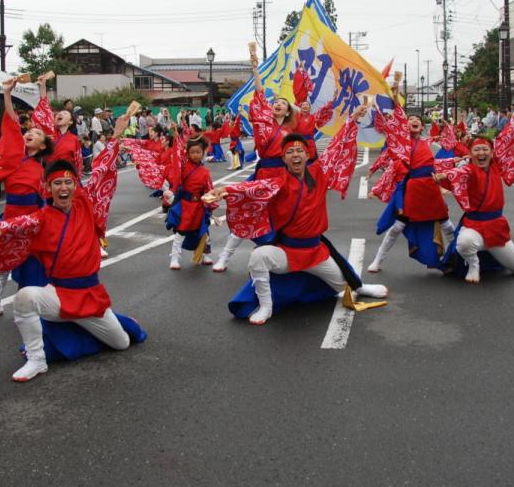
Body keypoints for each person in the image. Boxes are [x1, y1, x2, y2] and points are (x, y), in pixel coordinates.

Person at [0, 123, 146, 382]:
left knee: (122, 343)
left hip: (90, 296)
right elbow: (24, 222)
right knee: (24, 297)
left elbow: (101, 172)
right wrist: (1, 226)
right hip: (58, 294)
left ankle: (120, 323)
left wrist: (114, 138)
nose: (63, 187)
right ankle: (37, 360)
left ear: (75, 185)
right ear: (48, 189)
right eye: (57, 183)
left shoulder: (85, 205)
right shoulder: (43, 216)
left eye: (68, 182)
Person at [207, 104, 387, 325]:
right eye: (289, 152)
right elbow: (252, 188)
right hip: (288, 252)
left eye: (299, 151)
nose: (295, 155)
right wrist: (225, 190)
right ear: (283, 159)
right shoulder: (278, 182)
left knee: (344, 285)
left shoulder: (319, 173)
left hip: (315, 253)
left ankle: (360, 286)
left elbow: (337, 147)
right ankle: (266, 306)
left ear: (307, 154)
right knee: (258, 257)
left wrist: (353, 120)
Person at [212, 49, 332, 272]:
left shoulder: (291, 129)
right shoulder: (263, 121)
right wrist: (255, 68)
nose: (277, 104)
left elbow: (307, 116)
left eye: (283, 103)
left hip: (283, 177)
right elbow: (259, 92)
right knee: (248, 210)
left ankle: (281, 261)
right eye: (275, 102)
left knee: (286, 218)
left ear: (288, 111)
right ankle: (224, 257)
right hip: (263, 175)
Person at [433, 98, 514, 283]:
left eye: (485, 149)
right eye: (476, 150)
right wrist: (444, 176)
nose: (481, 153)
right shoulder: (468, 169)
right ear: (470, 154)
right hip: (474, 226)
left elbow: (506, 137)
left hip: (496, 228)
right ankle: (474, 265)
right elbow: (461, 172)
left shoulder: (495, 166)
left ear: (492, 153)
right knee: (463, 243)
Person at [0, 76, 55, 319]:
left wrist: (43, 91)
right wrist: (7, 95)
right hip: (10, 215)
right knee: (3, 260)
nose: (30, 133)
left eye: (36, 133)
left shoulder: (45, 167)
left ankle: (39, 303)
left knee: (34, 263)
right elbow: (10, 123)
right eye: (28, 131)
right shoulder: (13, 156)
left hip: (32, 219)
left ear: (43, 146)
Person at [367, 79, 457, 273]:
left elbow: (449, 144)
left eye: (417, 122)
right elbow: (395, 119)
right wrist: (394, 96)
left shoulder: (428, 142)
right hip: (413, 189)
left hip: (430, 189)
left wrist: (446, 128)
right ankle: (377, 261)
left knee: (447, 224)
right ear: (405, 127)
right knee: (397, 227)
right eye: (410, 121)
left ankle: (459, 256)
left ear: (421, 127)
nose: (413, 122)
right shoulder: (401, 144)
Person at [164, 137, 216, 269]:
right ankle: (175, 258)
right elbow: (175, 170)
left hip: (199, 206)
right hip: (186, 206)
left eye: (198, 152)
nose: (195, 155)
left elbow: (209, 189)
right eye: (192, 152)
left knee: (203, 231)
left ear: (203, 152)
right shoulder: (184, 167)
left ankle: (205, 254)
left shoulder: (205, 172)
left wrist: (211, 203)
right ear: (187, 153)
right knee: (181, 232)